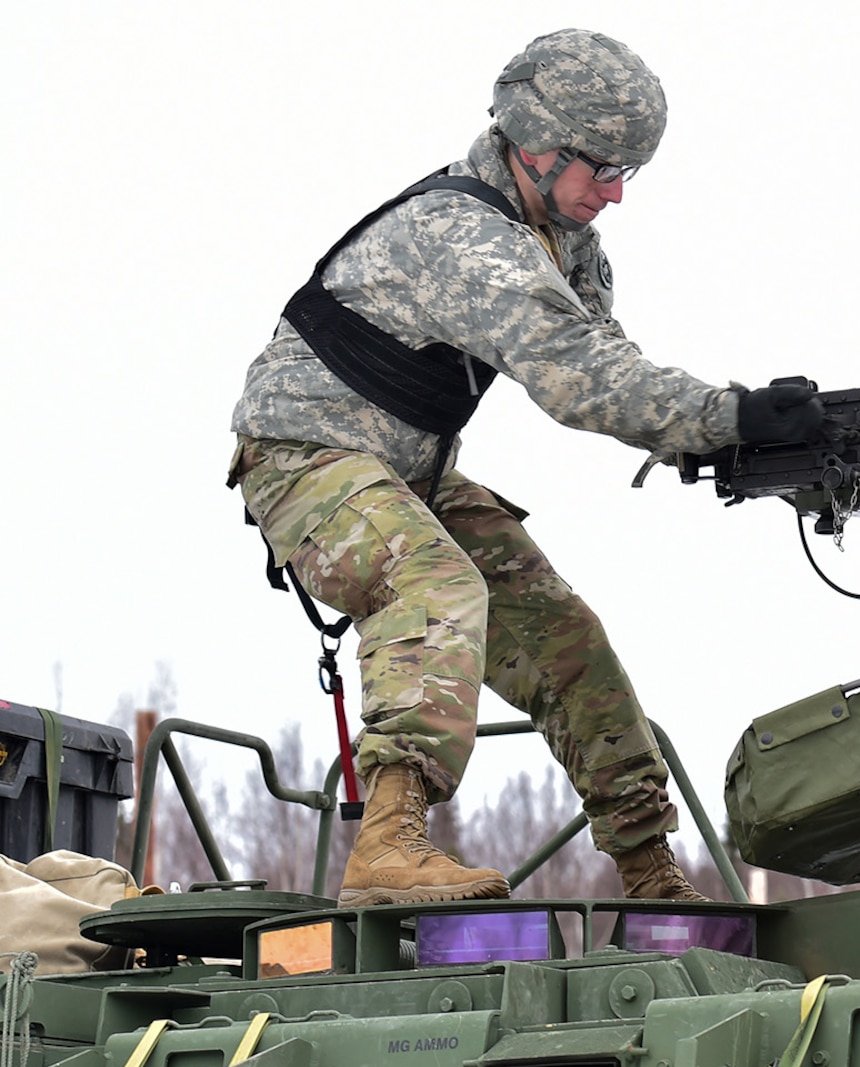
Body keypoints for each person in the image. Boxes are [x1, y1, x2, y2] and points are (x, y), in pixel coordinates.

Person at [228, 29, 819, 907]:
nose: (615, 193)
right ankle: (388, 843)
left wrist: (747, 439)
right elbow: (578, 378)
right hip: (301, 458)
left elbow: (614, 364)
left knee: (563, 638)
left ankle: (653, 875)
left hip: (404, 474)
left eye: (629, 173)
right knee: (433, 583)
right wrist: (727, 412)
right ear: (535, 143)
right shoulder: (465, 238)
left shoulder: (564, 241)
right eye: (601, 168)